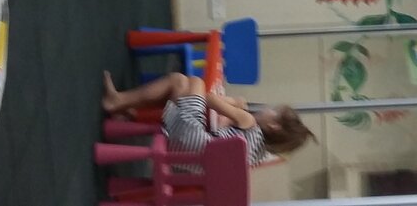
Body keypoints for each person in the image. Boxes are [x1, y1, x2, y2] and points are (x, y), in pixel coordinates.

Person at [102, 71, 316, 166]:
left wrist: (234, 102)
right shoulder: (256, 156)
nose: (268, 108)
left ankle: (117, 100)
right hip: (184, 157)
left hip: (186, 134)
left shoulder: (249, 123)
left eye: (273, 110)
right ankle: (128, 110)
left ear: (273, 125)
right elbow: (221, 131)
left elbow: (210, 99)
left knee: (187, 82)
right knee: (181, 89)